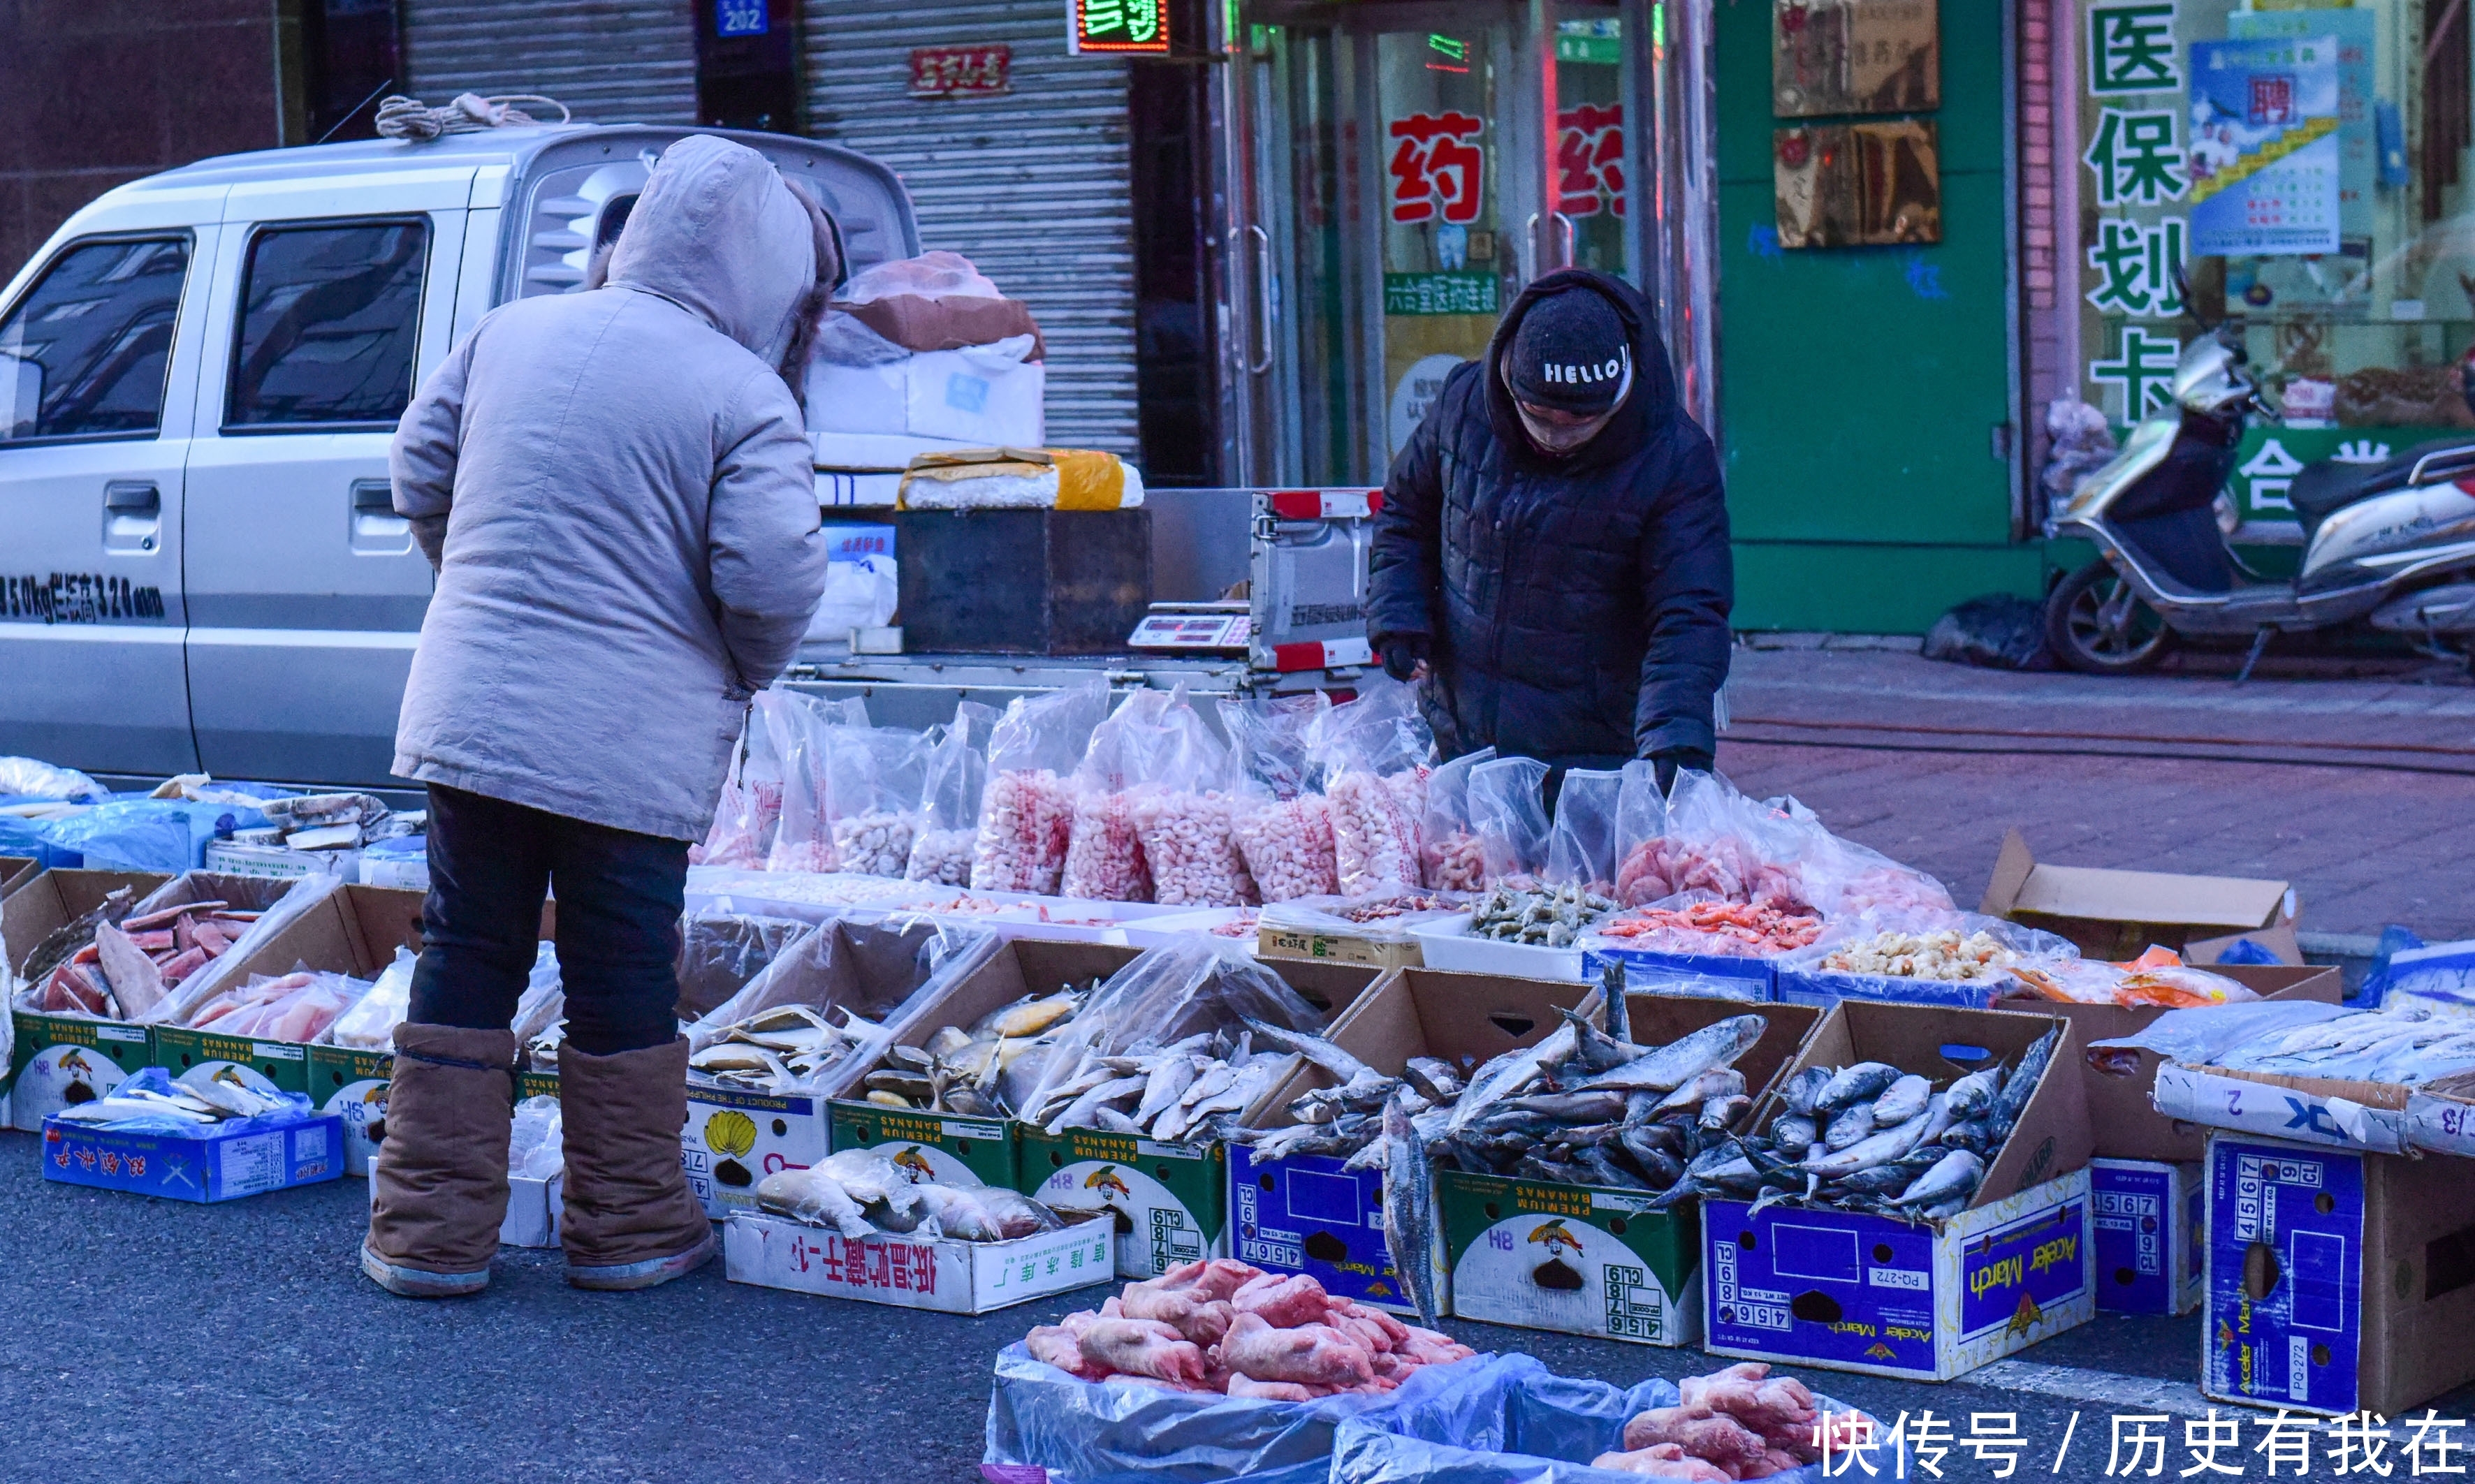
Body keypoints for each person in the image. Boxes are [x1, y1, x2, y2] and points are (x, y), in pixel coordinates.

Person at [364, 135, 835, 1298]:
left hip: (473, 716)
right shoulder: (742, 392)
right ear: (761, 269)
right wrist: (734, 666)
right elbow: (770, 576)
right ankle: (628, 1230)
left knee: (468, 948)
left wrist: (471, 587)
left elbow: (417, 472)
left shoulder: (512, 332)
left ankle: (426, 1237)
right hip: (628, 739)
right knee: (621, 968)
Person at [1367, 267, 1731, 792]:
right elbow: (1405, 513)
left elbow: (1689, 611)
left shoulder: (1674, 459)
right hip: (1456, 728)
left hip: (1589, 752)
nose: (1555, 436)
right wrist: (1398, 615)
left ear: (1619, 393)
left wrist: (1674, 737)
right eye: (1537, 415)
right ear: (1510, 379)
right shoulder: (1464, 403)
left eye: (1579, 423)